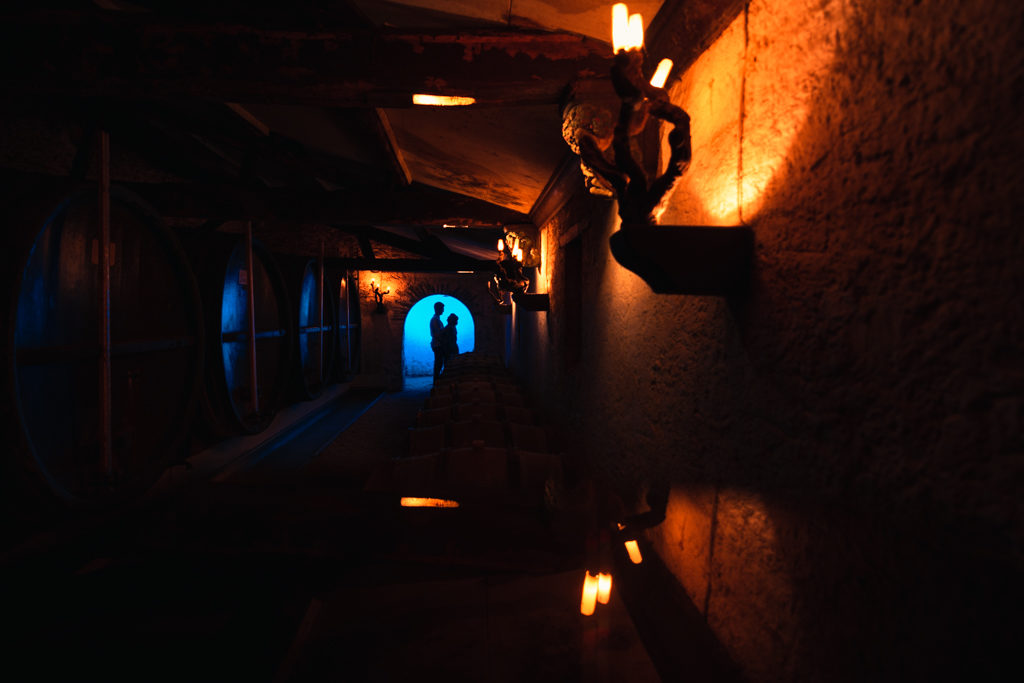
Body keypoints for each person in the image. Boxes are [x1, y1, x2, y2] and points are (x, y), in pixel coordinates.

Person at [429, 301, 445, 381]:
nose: (443, 310)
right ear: (437, 309)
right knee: (438, 364)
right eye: (442, 309)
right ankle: (436, 382)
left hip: (437, 344)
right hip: (438, 344)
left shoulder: (436, 319)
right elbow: (438, 334)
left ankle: (436, 381)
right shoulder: (435, 320)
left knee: (439, 363)